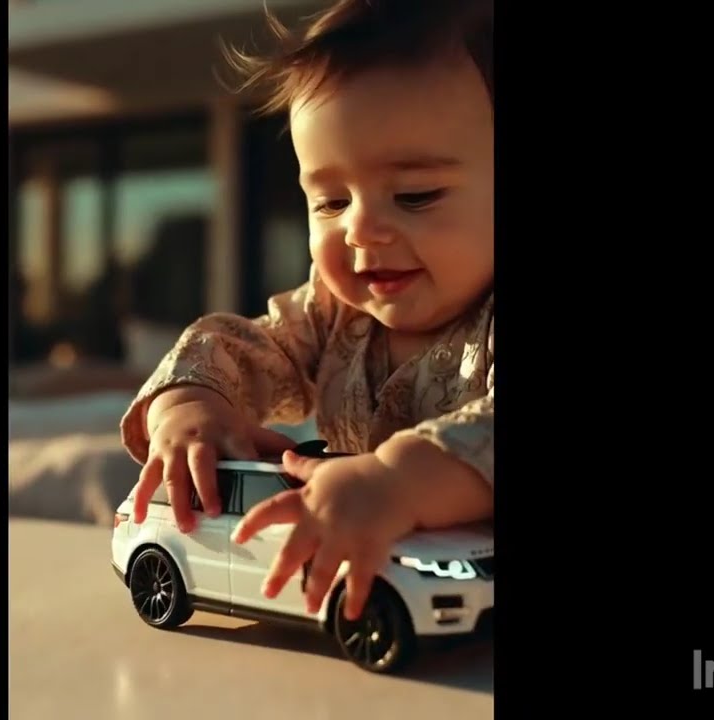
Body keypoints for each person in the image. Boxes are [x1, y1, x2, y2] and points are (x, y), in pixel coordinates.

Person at [120, 0, 495, 622]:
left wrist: (398, 482)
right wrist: (190, 404)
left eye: (415, 195)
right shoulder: (333, 310)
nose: (360, 229)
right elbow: (242, 346)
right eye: (329, 201)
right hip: (387, 602)